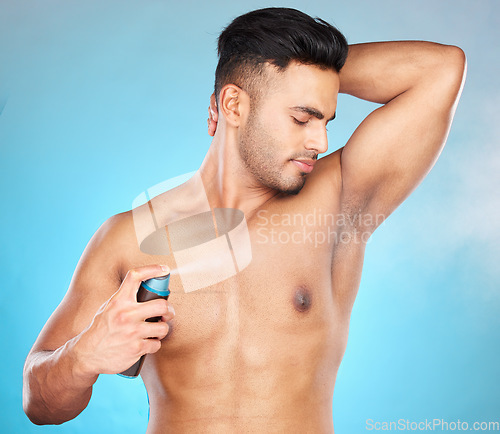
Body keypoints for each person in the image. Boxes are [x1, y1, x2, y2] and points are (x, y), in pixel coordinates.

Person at [23, 7, 466, 433]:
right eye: (302, 117)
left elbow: (441, 69)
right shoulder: (127, 239)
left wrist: (304, 77)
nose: (321, 140)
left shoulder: (339, 201)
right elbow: (39, 404)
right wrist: (84, 355)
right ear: (233, 105)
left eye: (326, 118)